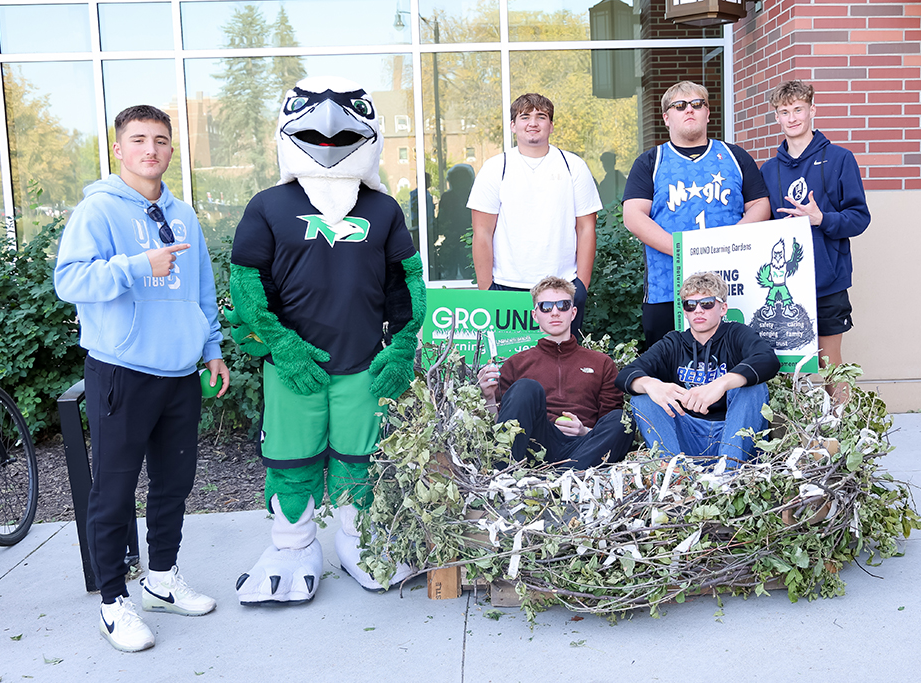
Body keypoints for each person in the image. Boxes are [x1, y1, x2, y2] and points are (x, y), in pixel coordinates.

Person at [229, 76, 425, 604]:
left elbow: (406, 282)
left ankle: (359, 542)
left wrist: (402, 345)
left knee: (359, 457)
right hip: (294, 367)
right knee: (292, 457)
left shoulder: (383, 209)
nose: (331, 127)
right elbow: (246, 285)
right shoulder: (268, 205)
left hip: (362, 364)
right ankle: (292, 547)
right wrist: (281, 346)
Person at [54, 105, 229, 652]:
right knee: (114, 491)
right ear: (119, 150)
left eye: (160, 140)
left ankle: (161, 579)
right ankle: (113, 601)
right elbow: (70, 280)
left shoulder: (186, 215)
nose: (150, 149)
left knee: (174, 485)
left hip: (180, 372)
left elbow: (201, 290)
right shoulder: (99, 210)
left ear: (171, 149)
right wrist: (135, 266)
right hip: (121, 371)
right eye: (138, 140)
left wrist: (212, 349)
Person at [623, 81, 770, 349]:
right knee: (668, 370)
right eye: (679, 106)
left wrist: (726, 245)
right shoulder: (651, 162)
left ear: (708, 113)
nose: (689, 110)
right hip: (667, 288)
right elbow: (634, 217)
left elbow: (760, 204)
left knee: (734, 363)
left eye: (697, 104)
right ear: (667, 117)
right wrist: (685, 251)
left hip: (731, 285)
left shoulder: (734, 156)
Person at [759, 80, 870, 379]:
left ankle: (838, 424)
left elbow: (860, 218)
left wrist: (821, 219)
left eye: (798, 109)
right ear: (776, 117)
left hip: (828, 281)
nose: (792, 118)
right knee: (785, 368)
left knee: (830, 366)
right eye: (784, 111)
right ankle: (794, 427)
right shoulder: (768, 170)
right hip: (784, 289)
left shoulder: (840, 158)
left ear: (812, 110)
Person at [468, 93, 602, 339]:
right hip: (507, 286)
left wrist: (581, 286)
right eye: (525, 116)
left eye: (541, 117)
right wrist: (487, 290)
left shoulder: (574, 166)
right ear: (513, 125)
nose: (533, 122)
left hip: (562, 286)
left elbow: (586, 229)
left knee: (562, 367)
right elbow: (482, 233)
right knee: (507, 370)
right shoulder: (495, 168)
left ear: (550, 125)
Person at [616, 272, 779, 472]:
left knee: (752, 388)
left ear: (723, 308)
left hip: (732, 435)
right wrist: (652, 385)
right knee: (642, 398)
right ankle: (675, 476)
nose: (698, 310)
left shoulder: (736, 334)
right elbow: (626, 375)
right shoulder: (673, 342)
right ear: (684, 311)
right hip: (687, 436)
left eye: (707, 303)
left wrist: (721, 384)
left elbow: (768, 359)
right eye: (690, 305)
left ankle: (728, 476)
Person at [477, 276, 634, 469]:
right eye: (546, 307)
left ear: (573, 312)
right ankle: (501, 476)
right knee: (527, 387)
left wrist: (584, 431)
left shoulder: (602, 363)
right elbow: (500, 424)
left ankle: (562, 481)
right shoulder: (515, 363)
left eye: (563, 305)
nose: (555, 312)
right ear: (535, 315)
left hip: (583, 449)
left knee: (622, 420)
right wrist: (489, 398)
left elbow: (609, 422)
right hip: (534, 446)